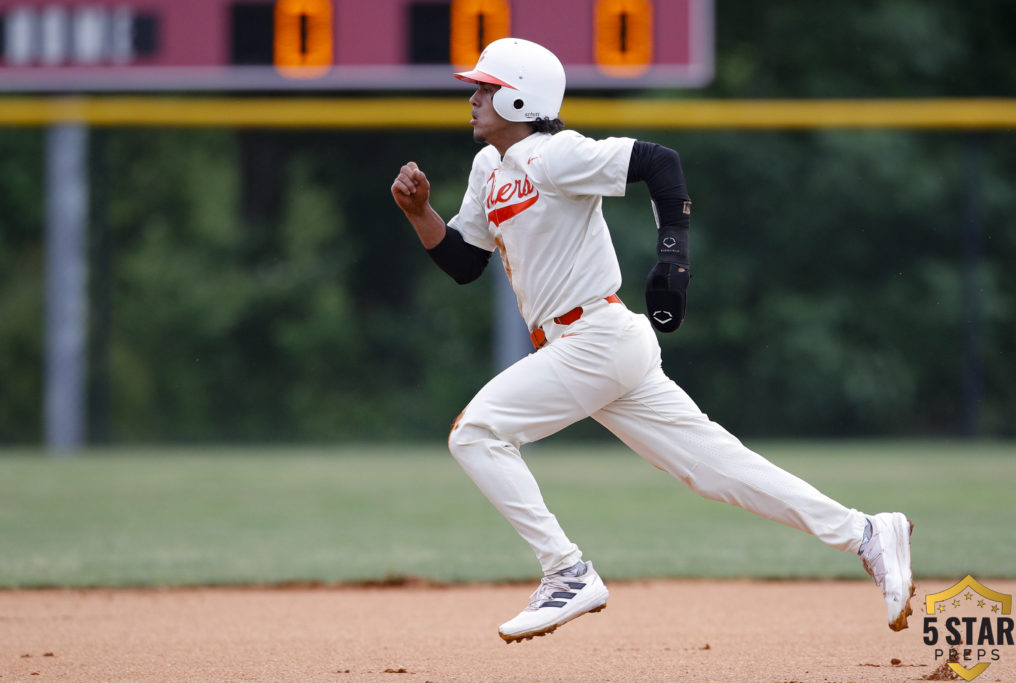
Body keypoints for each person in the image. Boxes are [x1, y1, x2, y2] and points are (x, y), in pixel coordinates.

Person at [390, 37, 914, 644]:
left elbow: (661, 163)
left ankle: (566, 572)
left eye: (483, 87)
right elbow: (462, 262)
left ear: (516, 98)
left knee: (476, 434)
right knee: (716, 470)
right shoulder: (489, 168)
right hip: (592, 346)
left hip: (592, 336)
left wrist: (673, 260)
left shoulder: (556, 153)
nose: (473, 97)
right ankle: (866, 533)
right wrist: (420, 213)